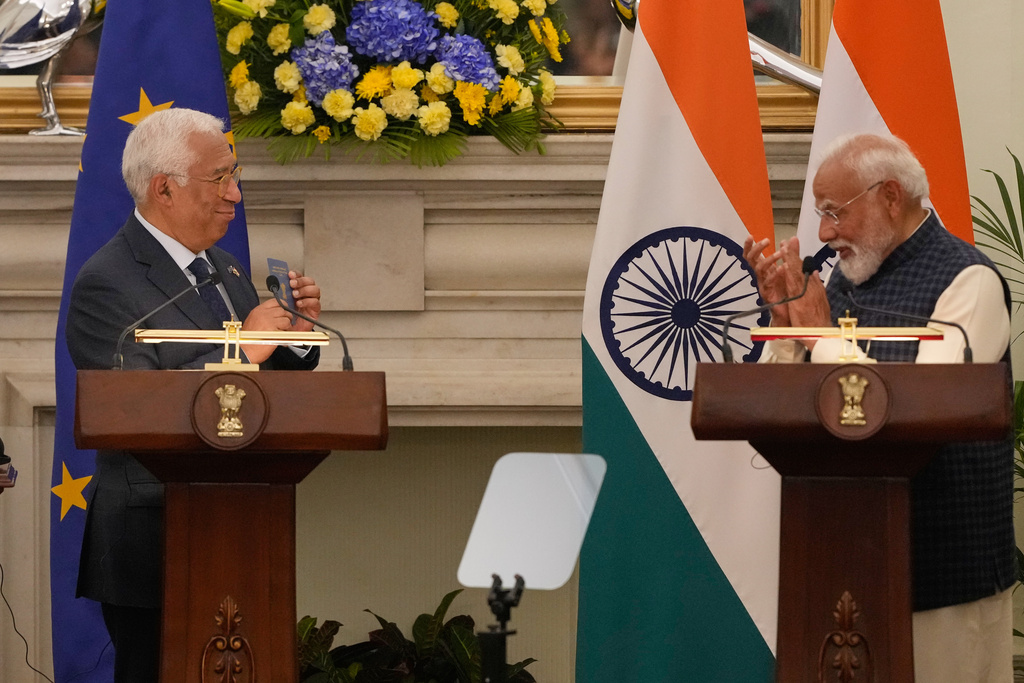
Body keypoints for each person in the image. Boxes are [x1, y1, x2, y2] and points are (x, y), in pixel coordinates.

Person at [743, 133, 1015, 682]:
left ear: (891, 196)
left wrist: (818, 331)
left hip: (943, 580)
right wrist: (785, 325)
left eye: (834, 213)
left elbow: (921, 411)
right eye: (821, 215)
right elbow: (772, 408)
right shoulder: (841, 282)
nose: (823, 234)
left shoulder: (968, 281)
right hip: (836, 568)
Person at [65, 107, 322, 683]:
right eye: (220, 179)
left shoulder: (225, 269)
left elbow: (253, 402)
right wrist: (245, 349)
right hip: (152, 539)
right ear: (165, 189)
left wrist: (295, 341)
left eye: (236, 177)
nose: (235, 194)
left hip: (239, 523)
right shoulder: (106, 282)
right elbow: (132, 405)